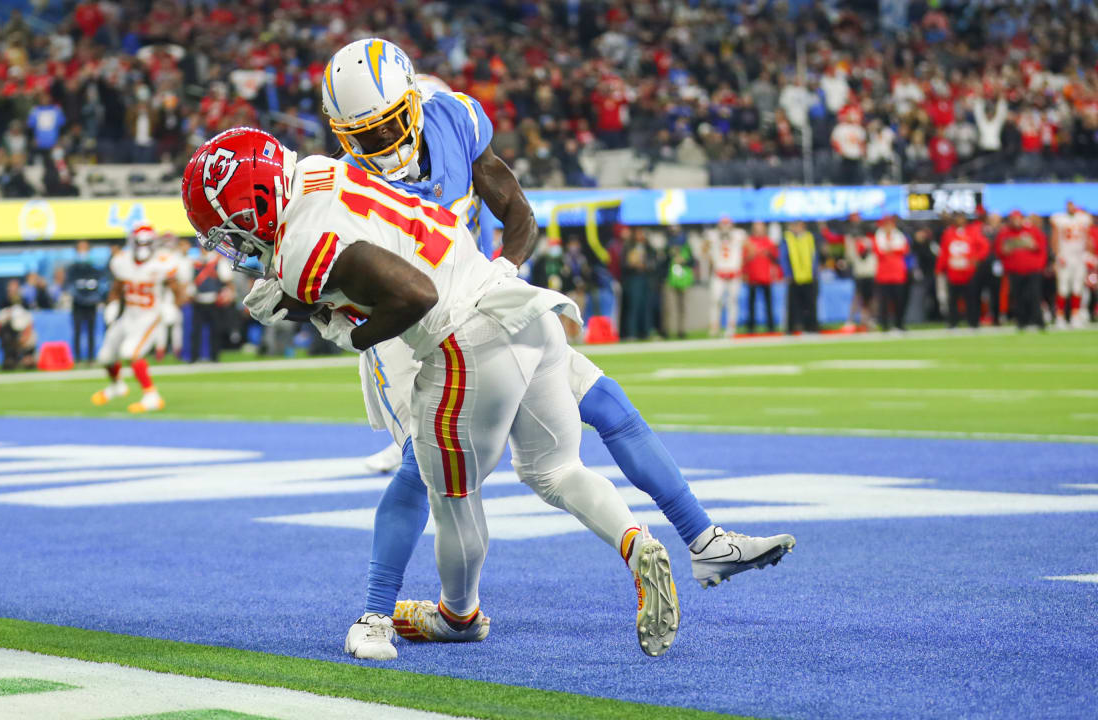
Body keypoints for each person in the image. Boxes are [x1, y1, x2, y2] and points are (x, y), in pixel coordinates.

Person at [314, 40, 793, 660]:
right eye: (364, 134)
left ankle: (702, 540)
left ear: (413, 103)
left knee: (606, 406)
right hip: (412, 338)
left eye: (388, 126)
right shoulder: (344, 187)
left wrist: (506, 268)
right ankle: (384, 611)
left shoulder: (453, 119)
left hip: (486, 309)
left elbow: (515, 207)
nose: (380, 146)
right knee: (425, 470)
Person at [187, 127, 682, 662]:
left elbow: (413, 295)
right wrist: (312, 300)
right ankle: (637, 543)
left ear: (251, 205)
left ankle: (450, 616)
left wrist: (340, 329)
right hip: (518, 305)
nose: (232, 244)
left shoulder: (297, 250)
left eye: (227, 230)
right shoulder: (314, 171)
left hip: (465, 341)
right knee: (556, 470)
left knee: (449, 495)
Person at [90, 224, 187, 413]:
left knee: (130, 353)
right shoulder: (122, 261)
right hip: (128, 315)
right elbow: (117, 287)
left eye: (146, 243)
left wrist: (173, 306)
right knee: (106, 356)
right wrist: (113, 303)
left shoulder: (163, 262)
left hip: (149, 316)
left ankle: (152, 396)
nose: (142, 247)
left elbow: (177, 289)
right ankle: (117, 386)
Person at [995, 211, 1048, 330]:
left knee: (1035, 296)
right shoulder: (1005, 233)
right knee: (1018, 297)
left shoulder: (1032, 231)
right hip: (1015, 271)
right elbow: (999, 251)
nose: (1016, 222)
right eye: (1013, 219)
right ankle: (1021, 322)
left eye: (1018, 219)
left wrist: (1040, 263)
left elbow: (1041, 247)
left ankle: (1038, 321)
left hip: (1033, 270)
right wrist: (1006, 250)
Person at [936, 215, 988, 329]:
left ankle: (973, 322)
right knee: (953, 298)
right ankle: (953, 322)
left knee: (971, 297)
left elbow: (984, 246)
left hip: (969, 271)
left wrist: (977, 259)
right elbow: (944, 251)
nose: (959, 220)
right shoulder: (949, 233)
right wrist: (939, 268)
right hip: (953, 270)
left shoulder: (973, 232)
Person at [1050, 201, 1092, 328]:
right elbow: (1055, 238)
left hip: (1079, 257)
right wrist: (1057, 255)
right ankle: (1060, 316)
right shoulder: (1060, 220)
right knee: (1063, 288)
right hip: (1066, 257)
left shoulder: (1084, 219)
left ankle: (1075, 316)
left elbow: (1088, 238)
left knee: (1077, 288)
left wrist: (1088, 254)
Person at [189, 244, 234, 362]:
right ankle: (194, 357)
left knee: (216, 330)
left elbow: (227, 280)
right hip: (198, 300)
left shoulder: (218, 261)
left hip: (214, 300)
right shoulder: (195, 262)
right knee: (195, 331)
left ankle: (214, 356)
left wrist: (227, 295)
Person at [66, 240, 107, 364]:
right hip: (78, 304)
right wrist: (79, 296)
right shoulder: (72, 269)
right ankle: (77, 358)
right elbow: (69, 286)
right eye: (80, 248)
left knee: (91, 331)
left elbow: (100, 285)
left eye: (85, 248)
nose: (83, 251)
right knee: (77, 331)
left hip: (91, 304)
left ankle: (90, 358)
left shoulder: (94, 268)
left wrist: (94, 298)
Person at [704, 217, 745, 337]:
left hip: (733, 273)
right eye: (723, 224)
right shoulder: (712, 235)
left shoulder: (739, 234)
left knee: (732, 302)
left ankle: (731, 327)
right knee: (715, 300)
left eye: (727, 224)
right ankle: (714, 327)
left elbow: (750, 248)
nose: (725, 226)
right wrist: (711, 259)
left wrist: (741, 263)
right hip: (719, 273)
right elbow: (704, 250)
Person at [873, 215, 911, 331]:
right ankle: (884, 325)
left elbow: (904, 250)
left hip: (898, 274)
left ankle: (899, 324)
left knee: (899, 301)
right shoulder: (878, 236)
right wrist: (893, 250)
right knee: (884, 302)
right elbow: (879, 252)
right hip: (883, 275)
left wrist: (890, 250)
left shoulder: (899, 236)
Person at [781, 220, 819, 334]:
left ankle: (811, 327)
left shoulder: (809, 237)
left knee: (810, 304)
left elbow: (814, 256)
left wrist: (814, 272)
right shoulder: (788, 239)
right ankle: (793, 327)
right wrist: (787, 273)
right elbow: (783, 257)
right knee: (793, 305)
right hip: (794, 277)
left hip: (808, 276)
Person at [0, 281, 38, 370]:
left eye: (15, 291)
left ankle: (27, 357)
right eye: (10, 291)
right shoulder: (4, 311)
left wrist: (25, 336)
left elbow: (29, 324)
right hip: (11, 340)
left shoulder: (24, 308)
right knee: (6, 333)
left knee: (29, 359)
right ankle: (11, 359)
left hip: (24, 337)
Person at [743, 221, 779, 333]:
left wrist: (768, 253)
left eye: (761, 228)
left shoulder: (768, 241)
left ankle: (770, 326)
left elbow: (776, 257)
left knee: (768, 303)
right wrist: (752, 254)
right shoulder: (749, 242)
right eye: (757, 228)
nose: (759, 230)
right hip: (753, 277)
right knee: (751, 304)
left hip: (766, 277)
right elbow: (743, 259)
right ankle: (751, 327)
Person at [664, 228, 695, 338]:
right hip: (671, 280)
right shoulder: (667, 247)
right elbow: (663, 263)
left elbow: (693, 262)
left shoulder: (687, 248)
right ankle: (667, 331)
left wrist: (684, 261)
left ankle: (681, 330)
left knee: (682, 308)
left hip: (683, 280)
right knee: (669, 308)